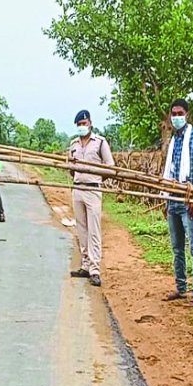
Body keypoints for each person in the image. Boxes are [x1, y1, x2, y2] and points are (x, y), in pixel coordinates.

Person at [162, 99, 193, 307]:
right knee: (177, 248)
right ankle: (181, 288)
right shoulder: (173, 140)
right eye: (173, 114)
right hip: (173, 199)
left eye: (180, 113)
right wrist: (165, 197)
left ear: (187, 115)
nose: (176, 117)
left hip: (189, 198)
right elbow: (169, 170)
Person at [68, 110, 115, 287]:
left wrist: (96, 179)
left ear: (90, 123)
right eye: (79, 125)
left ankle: (95, 270)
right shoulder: (73, 144)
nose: (82, 127)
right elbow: (70, 168)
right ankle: (85, 265)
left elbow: (110, 167)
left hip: (93, 190)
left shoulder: (100, 143)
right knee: (81, 229)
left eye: (84, 123)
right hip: (77, 188)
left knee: (94, 230)